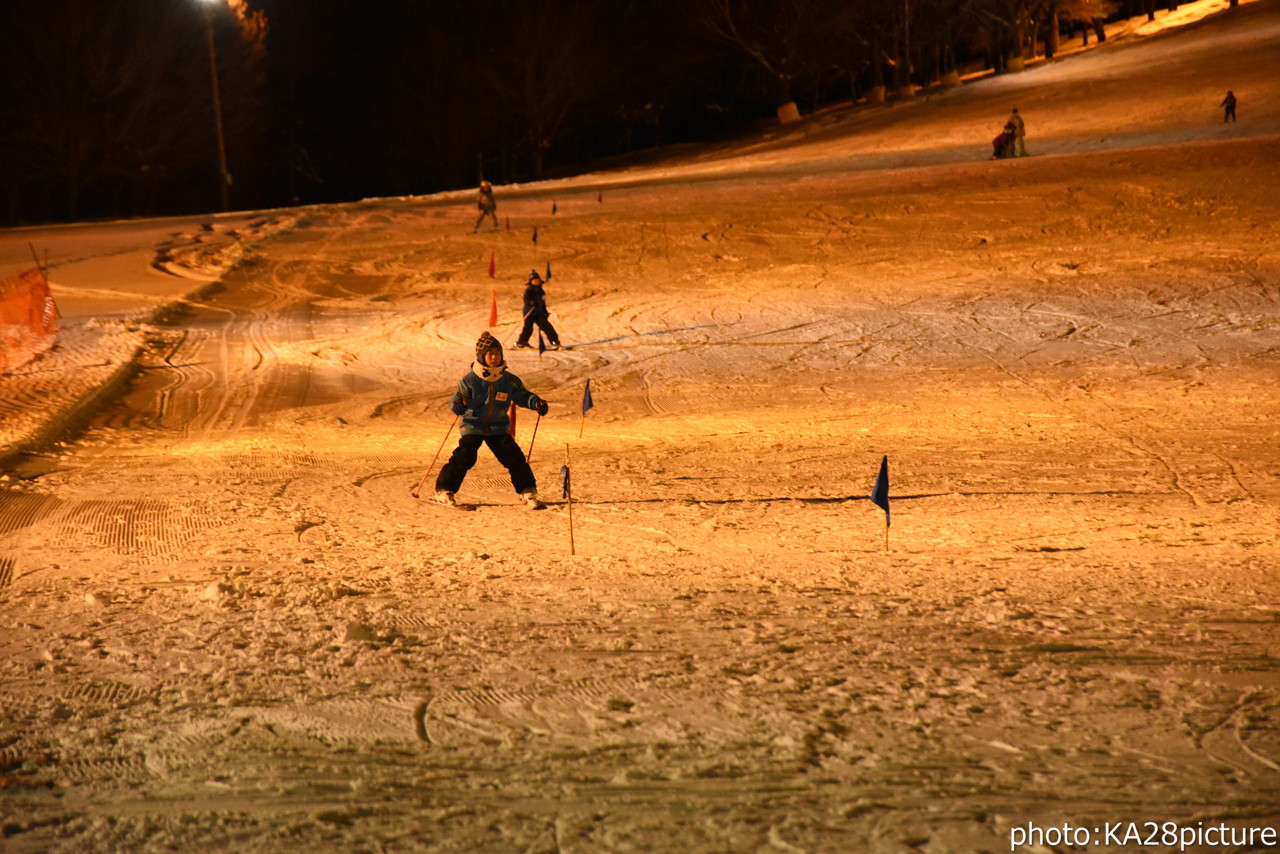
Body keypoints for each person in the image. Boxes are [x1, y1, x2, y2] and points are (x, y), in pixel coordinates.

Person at [435, 331, 549, 508]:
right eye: (490, 354)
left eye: (497, 353)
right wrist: (458, 404)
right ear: (482, 356)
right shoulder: (470, 380)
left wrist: (536, 403)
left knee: (514, 458)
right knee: (464, 457)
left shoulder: (508, 380)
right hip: (473, 425)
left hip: (498, 427)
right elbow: (457, 399)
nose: (494, 357)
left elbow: (522, 395)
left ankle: (527, 490)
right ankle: (444, 490)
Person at [513, 269, 561, 350]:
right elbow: (526, 300)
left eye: (537, 281)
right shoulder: (528, 291)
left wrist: (545, 311)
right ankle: (522, 342)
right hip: (529, 312)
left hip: (538, 313)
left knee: (547, 326)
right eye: (534, 281)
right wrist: (531, 303)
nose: (536, 282)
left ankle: (555, 341)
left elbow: (543, 302)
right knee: (528, 328)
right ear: (530, 282)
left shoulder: (541, 291)